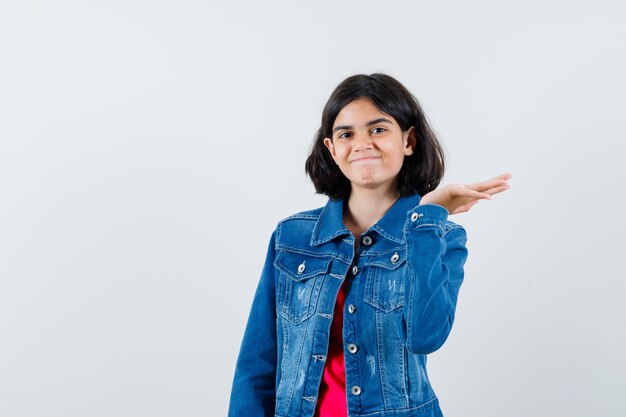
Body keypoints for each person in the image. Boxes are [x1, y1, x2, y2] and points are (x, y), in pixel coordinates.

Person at [227, 73, 511, 417]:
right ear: (332, 149)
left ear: (409, 140)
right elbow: (257, 362)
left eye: (378, 129)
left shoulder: (442, 237)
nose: (362, 143)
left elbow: (426, 336)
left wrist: (427, 219)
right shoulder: (292, 237)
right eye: (346, 134)